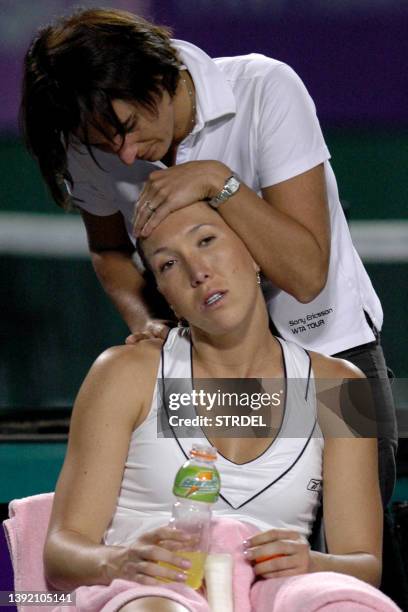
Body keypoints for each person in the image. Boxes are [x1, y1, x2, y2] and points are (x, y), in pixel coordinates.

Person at [20, 8, 396, 507]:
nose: (124, 154)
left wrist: (219, 182)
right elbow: (109, 249)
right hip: (205, 373)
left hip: (334, 351)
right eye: (103, 143)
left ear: (156, 75)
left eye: (129, 127)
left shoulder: (267, 87)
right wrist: (153, 327)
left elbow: (305, 277)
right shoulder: (91, 133)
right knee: (212, 545)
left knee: (352, 556)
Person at [42, 201, 401, 612]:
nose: (199, 272)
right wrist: (119, 561)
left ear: (254, 254)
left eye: (207, 241)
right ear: (166, 296)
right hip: (148, 589)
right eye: (169, 265)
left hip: (277, 594)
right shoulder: (122, 373)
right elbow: (61, 551)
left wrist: (311, 562)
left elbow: (364, 564)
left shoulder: (340, 386)